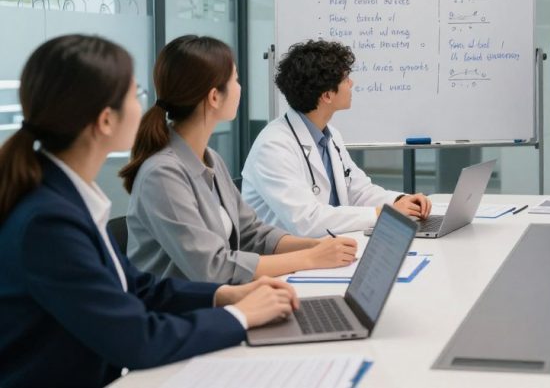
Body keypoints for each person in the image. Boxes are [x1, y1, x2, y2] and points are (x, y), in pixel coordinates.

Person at [0, 35, 299, 388]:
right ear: (105, 120)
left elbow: (137, 287)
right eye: (134, 95)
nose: (143, 108)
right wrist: (240, 317)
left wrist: (223, 296)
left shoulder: (66, 196)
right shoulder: (47, 222)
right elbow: (137, 340)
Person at [121, 35, 359, 284]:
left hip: (216, 302)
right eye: (235, 79)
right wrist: (310, 258)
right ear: (214, 97)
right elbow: (213, 268)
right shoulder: (162, 174)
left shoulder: (209, 158)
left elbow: (252, 234)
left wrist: (316, 246)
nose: (240, 87)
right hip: (178, 315)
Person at [242, 40, 431, 236]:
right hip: (287, 260)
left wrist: (399, 201)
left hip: (330, 248)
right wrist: (382, 213)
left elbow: (358, 191)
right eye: (346, 78)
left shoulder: (329, 135)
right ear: (327, 96)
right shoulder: (274, 147)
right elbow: (307, 221)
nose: (352, 83)